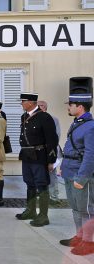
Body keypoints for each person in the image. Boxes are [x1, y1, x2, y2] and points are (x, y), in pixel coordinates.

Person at [15, 92, 58, 227]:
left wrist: (51, 160)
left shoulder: (44, 117)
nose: (21, 103)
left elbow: (52, 140)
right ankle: (31, 210)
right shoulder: (24, 116)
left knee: (41, 184)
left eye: (23, 101)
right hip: (27, 155)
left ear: (31, 103)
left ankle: (43, 216)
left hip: (40, 156)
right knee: (29, 183)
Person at [59, 91, 94, 255]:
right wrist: (63, 166)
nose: (69, 107)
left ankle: (88, 242)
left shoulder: (90, 126)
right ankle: (79, 237)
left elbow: (90, 155)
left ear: (80, 106)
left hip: (80, 173)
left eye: (71, 105)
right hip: (69, 171)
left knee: (86, 209)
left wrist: (82, 177)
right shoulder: (77, 123)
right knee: (75, 208)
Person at [37, 100, 62, 204]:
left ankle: (54, 196)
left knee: (51, 175)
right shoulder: (33, 119)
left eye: (42, 105)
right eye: (38, 105)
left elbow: (57, 136)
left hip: (50, 152)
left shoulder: (53, 119)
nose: (40, 107)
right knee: (39, 175)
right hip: (37, 153)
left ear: (46, 107)